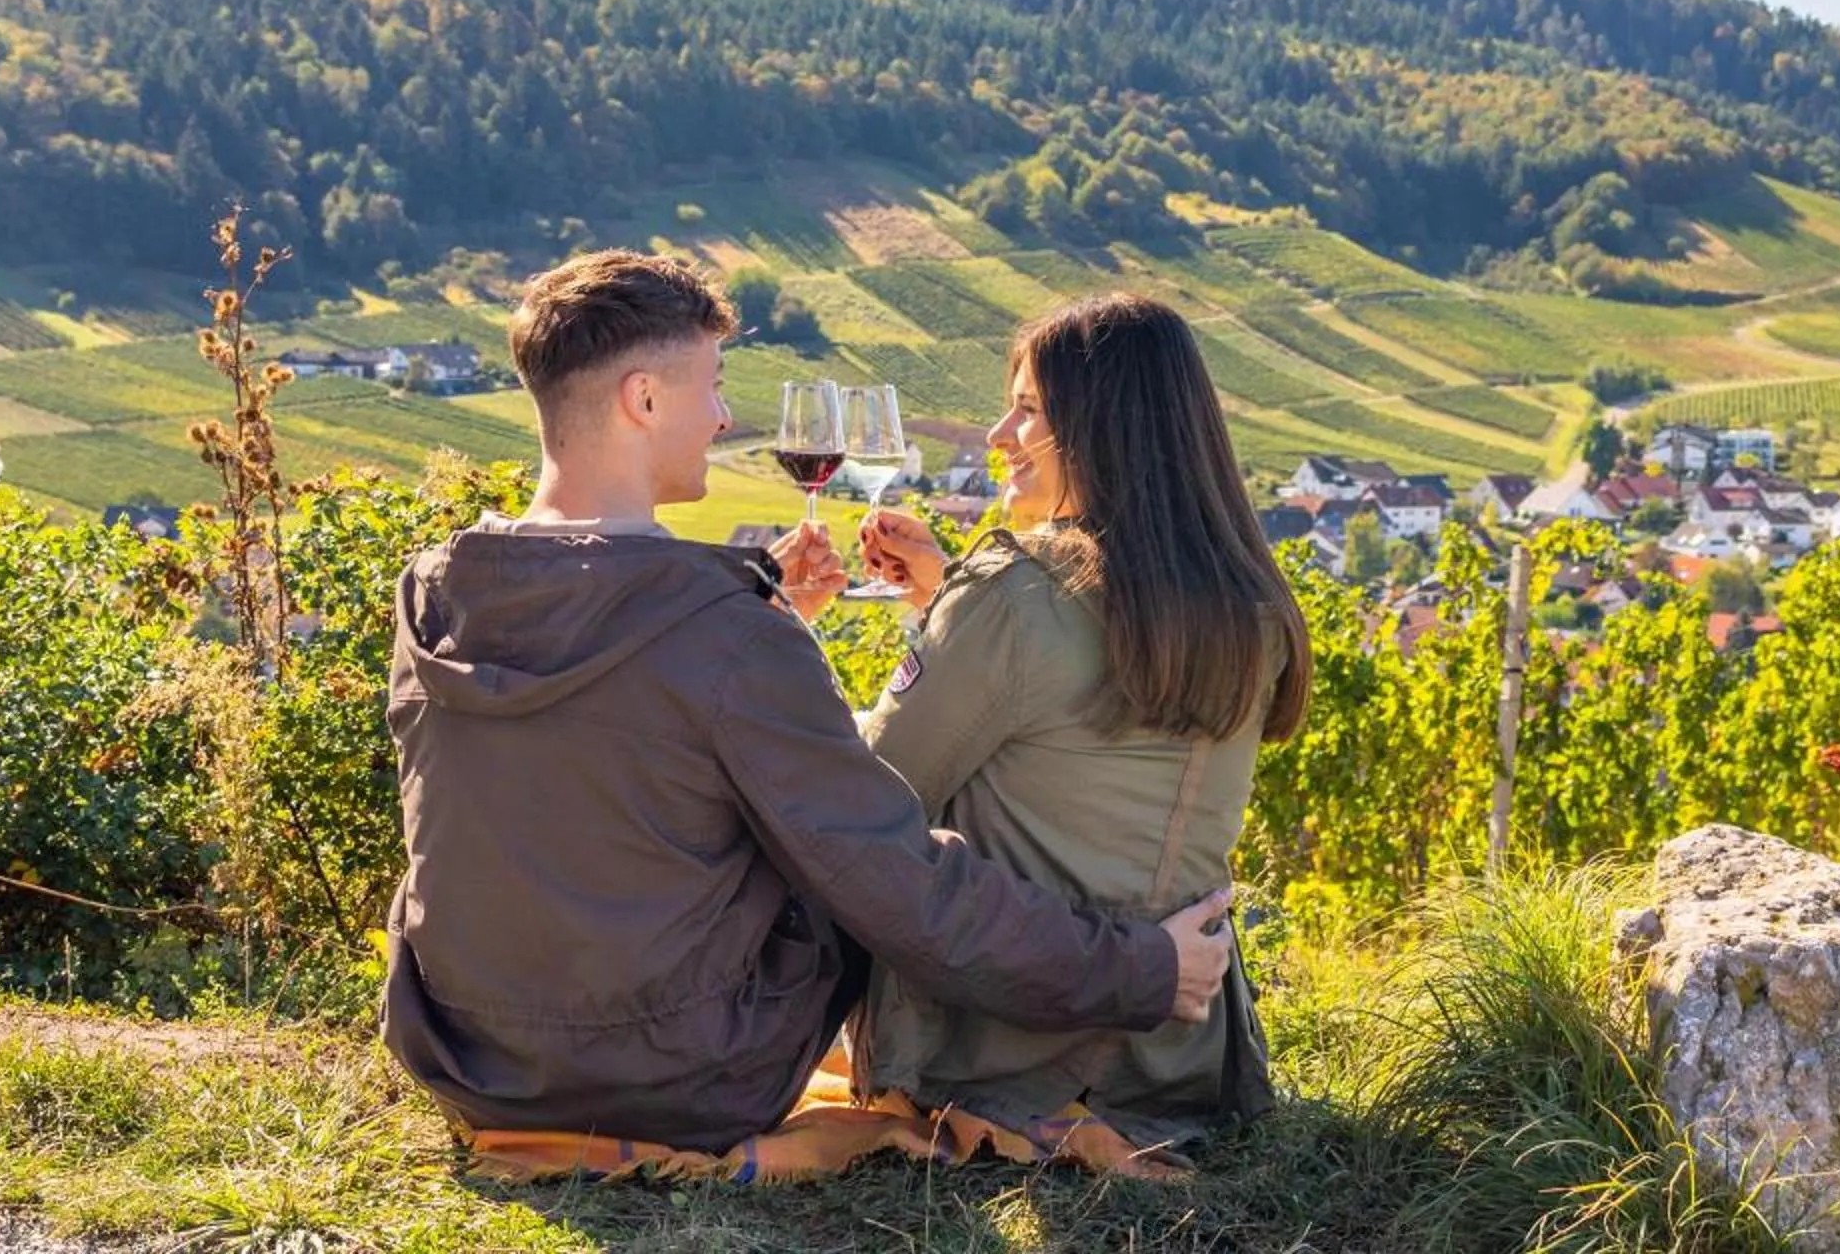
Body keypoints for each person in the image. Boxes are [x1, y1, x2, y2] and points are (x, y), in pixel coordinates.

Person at [378, 251, 1236, 1154]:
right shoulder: (728, 634)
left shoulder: (433, 594)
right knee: (844, 858)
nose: (721, 417)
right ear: (643, 400)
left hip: (467, 1058)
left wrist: (768, 621)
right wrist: (1144, 970)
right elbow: (903, 885)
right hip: (683, 1082)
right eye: (711, 387)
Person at [843, 292, 1310, 1146]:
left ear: (1100, 424)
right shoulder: (1248, 603)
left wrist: (776, 657)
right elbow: (1086, 726)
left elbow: (875, 791)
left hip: (1002, 1053)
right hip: (1179, 1059)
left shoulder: (1015, 599)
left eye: (1026, 410)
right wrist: (941, 607)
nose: (997, 436)